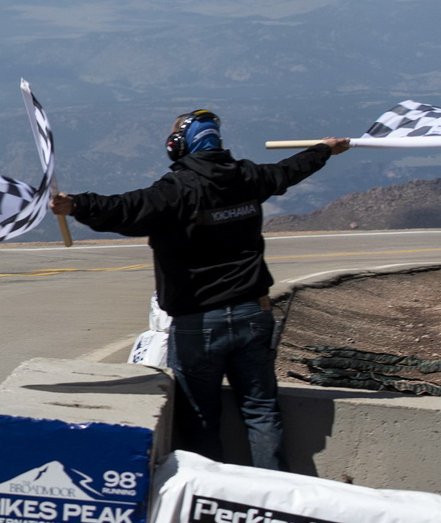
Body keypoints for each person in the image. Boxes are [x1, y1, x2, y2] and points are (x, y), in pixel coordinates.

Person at [50, 111, 349, 471]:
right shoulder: (249, 177)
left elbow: (126, 209)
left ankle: (212, 495)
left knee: (201, 418)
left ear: (180, 145)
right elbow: (289, 169)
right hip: (254, 313)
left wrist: (77, 205)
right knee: (261, 411)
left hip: (198, 320)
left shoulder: (177, 190)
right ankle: (269, 494)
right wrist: (324, 150)